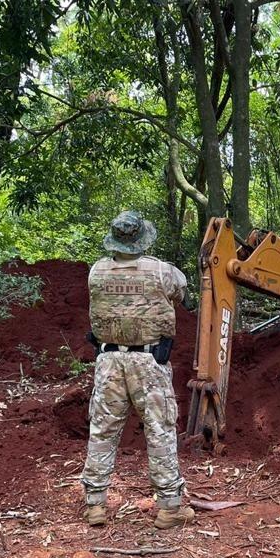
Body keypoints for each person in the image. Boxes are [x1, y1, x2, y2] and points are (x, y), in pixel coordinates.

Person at [80, 211, 194, 529]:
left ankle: (95, 506)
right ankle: (169, 507)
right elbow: (182, 294)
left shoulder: (96, 272)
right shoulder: (162, 271)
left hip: (108, 361)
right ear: (142, 239)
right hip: (148, 362)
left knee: (102, 431)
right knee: (160, 431)